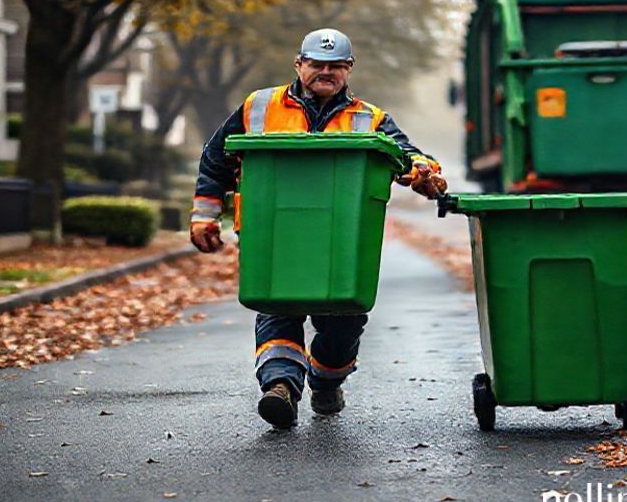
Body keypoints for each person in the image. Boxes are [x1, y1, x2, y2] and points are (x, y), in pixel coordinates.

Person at [190, 28, 447, 429]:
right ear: (299, 65)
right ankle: (281, 388)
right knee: (278, 306)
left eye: (336, 66)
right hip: (274, 232)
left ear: (349, 69)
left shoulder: (369, 118)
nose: (325, 72)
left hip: (341, 240)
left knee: (343, 319)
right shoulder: (259, 106)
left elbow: (406, 155)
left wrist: (423, 171)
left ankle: (327, 382)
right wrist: (203, 215)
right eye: (317, 64)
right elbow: (215, 160)